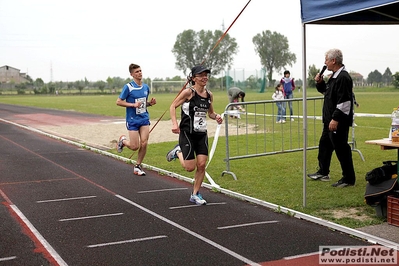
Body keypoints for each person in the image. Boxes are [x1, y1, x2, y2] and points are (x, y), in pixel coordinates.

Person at [166, 65, 223, 205]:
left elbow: (210, 113)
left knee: (202, 164)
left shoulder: (209, 95)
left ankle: (195, 194)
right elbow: (173, 106)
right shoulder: (188, 93)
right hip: (187, 133)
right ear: (193, 78)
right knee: (189, 167)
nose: (205, 77)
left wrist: (216, 116)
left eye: (206, 75)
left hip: (201, 134)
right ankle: (178, 151)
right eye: (201, 75)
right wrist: (174, 124)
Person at [307, 49, 356, 188]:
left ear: (333, 60)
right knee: (324, 145)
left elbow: (344, 102)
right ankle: (323, 171)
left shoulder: (343, 78)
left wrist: (335, 119)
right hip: (329, 120)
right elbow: (327, 93)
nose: (325, 62)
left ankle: (348, 178)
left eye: (326, 59)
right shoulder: (334, 76)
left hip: (337, 121)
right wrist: (320, 83)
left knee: (341, 149)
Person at [116, 63, 157, 176]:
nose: (139, 73)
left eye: (140, 71)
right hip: (133, 120)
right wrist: (132, 105)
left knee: (144, 143)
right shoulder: (128, 87)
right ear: (132, 74)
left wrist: (150, 103)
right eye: (137, 72)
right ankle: (123, 141)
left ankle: (138, 166)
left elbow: (142, 104)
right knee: (135, 146)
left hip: (144, 118)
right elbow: (118, 102)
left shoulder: (146, 87)